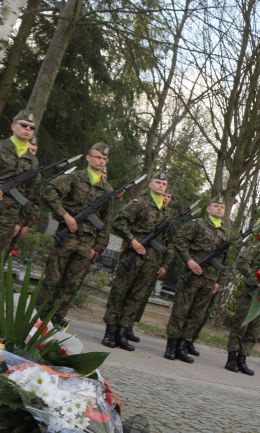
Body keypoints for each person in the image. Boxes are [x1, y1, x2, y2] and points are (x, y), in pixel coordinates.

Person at [38, 142, 114, 326]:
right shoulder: (74, 178)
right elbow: (49, 192)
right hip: (67, 237)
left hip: (87, 243)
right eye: (98, 157)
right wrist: (65, 215)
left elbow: (107, 221)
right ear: (88, 158)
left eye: (104, 158)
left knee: (73, 283)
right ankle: (38, 314)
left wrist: (98, 247)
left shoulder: (108, 190)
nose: (101, 160)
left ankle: (57, 317)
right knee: (53, 279)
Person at [101, 172, 174, 351]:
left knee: (135, 297)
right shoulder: (139, 203)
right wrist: (132, 241)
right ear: (150, 185)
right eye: (158, 182)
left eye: (164, 184)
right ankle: (109, 332)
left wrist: (162, 263)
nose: (161, 186)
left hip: (151, 263)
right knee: (119, 293)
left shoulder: (164, 214)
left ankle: (122, 332)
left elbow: (167, 242)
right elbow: (119, 222)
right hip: (133, 259)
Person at [164, 197, 228, 363]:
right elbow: (179, 240)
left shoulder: (224, 233)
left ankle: (183, 346)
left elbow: (224, 260)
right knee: (181, 310)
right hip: (192, 276)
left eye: (222, 207)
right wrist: (189, 260)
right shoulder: (197, 224)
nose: (219, 209)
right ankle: (171, 345)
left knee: (196, 315)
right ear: (208, 209)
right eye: (216, 206)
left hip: (210, 280)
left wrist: (218, 281)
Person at [0, 109, 39, 252]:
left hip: (8, 219)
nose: (28, 129)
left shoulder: (33, 162)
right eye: (23, 125)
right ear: (13, 126)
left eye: (31, 127)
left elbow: (29, 195)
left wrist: (20, 222)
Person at [224, 241, 260, 375]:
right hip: (251, 292)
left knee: (255, 329)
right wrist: (256, 277)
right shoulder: (259, 245)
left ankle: (242, 358)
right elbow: (242, 263)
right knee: (240, 325)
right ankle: (231, 358)